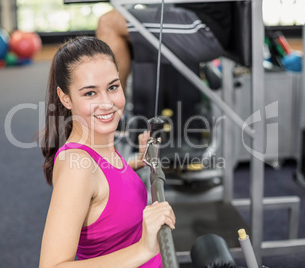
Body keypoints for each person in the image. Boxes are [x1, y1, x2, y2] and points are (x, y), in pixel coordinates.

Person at [39, 36, 176, 268]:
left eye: (112, 87)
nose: (107, 103)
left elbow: (105, 183)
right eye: (90, 93)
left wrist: (138, 162)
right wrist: (144, 248)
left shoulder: (99, 144)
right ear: (65, 98)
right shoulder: (76, 166)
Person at [96, 3, 232, 92]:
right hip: (190, 14)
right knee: (114, 31)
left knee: (109, 23)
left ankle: (112, 115)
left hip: (205, 27)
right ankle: (114, 115)